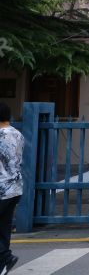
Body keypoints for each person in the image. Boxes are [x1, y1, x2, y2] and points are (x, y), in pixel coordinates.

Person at [0, 102, 23, 274]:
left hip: (1, 188)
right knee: (4, 226)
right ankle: (3, 262)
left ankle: (5, 257)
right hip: (15, 188)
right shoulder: (18, 134)